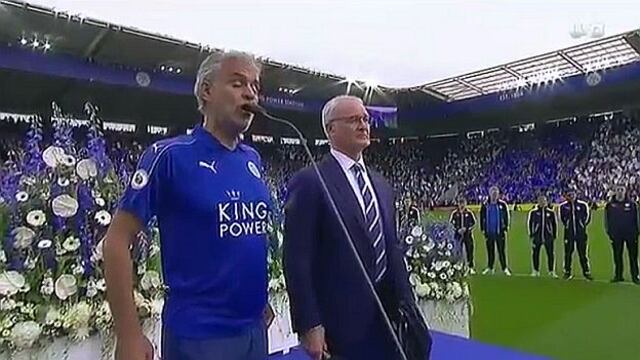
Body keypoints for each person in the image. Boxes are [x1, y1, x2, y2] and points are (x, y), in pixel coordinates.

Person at [103, 51, 273, 360]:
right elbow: (116, 242)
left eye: (255, 86)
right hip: (199, 338)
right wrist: (129, 335)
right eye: (237, 84)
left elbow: (246, 239)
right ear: (207, 91)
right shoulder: (169, 156)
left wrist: (259, 301)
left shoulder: (252, 159)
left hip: (254, 331)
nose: (250, 93)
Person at [283, 95, 431, 360]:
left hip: (389, 322)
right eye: (353, 120)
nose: (363, 124)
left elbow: (391, 250)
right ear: (330, 129)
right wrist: (309, 324)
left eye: (365, 118)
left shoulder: (382, 185)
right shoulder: (310, 181)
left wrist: (410, 307)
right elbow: (297, 260)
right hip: (341, 327)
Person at [604, 185, 640, 284]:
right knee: (617, 256)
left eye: (622, 190)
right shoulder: (610, 205)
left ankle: (635, 276)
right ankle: (618, 275)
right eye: (618, 190)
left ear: (625, 191)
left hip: (631, 235)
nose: (620, 191)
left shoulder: (632, 204)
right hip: (616, 235)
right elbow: (606, 220)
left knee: (633, 257)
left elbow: (637, 219)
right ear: (615, 191)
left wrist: (637, 232)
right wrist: (609, 232)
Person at [559, 188, 593, 280]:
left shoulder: (582, 205)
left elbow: (587, 217)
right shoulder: (563, 207)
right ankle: (567, 272)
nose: (571, 196)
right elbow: (562, 219)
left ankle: (586, 272)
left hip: (581, 234)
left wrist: (582, 225)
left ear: (576, 194)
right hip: (568, 234)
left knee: (583, 253)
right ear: (567, 196)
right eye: (569, 195)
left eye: (573, 194)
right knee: (568, 253)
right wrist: (567, 225)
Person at [480, 186, 511, 276]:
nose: (494, 194)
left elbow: (506, 216)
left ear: (498, 194)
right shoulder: (485, 205)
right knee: (490, 251)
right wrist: (483, 229)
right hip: (489, 232)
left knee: (501, 251)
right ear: (489, 194)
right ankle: (490, 267)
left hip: (499, 232)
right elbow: (482, 218)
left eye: (496, 193)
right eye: (492, 193)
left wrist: (505, 227)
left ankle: (504, 268)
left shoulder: (502, 205)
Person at [527, 194, 558, 278]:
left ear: (546, 202)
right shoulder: (533, 212)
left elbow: (554, 224)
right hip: (537, 236)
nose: (542, 202)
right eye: (541, 201)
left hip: (548, 236)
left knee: (550, 254)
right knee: (535, 254)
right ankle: (535, 271)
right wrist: (531, 234)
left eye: (544, 201)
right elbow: (530, 223)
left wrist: (554, 234)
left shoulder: (551, 212)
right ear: (538, 202)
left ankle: (551, 271)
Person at [449, 196, 477, 273]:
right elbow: (451, 224)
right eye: (460, 203)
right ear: (458, 204)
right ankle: (458, 266)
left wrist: (467, 229)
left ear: (465, 204)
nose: (462, 205)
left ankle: (470, 267)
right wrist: (457, 230)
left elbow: (474, 223)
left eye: (463, 203)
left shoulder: (469, 213)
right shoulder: (454, 213)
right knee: (457, 251)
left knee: (470, 250)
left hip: (467, 235)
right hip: (457, 235)